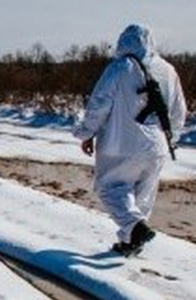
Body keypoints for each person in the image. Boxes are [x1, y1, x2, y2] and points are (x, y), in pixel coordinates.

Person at [74, 24, 186, 256]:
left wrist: (86, 133)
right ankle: (130, 242)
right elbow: (178, 110)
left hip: (121, 144)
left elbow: (99, 104)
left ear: (123, 42)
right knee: (141, 197)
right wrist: (170, 138)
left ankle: (134, 230)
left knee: (111, 188)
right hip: (157, 147)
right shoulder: (168, 71)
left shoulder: (119, 68)